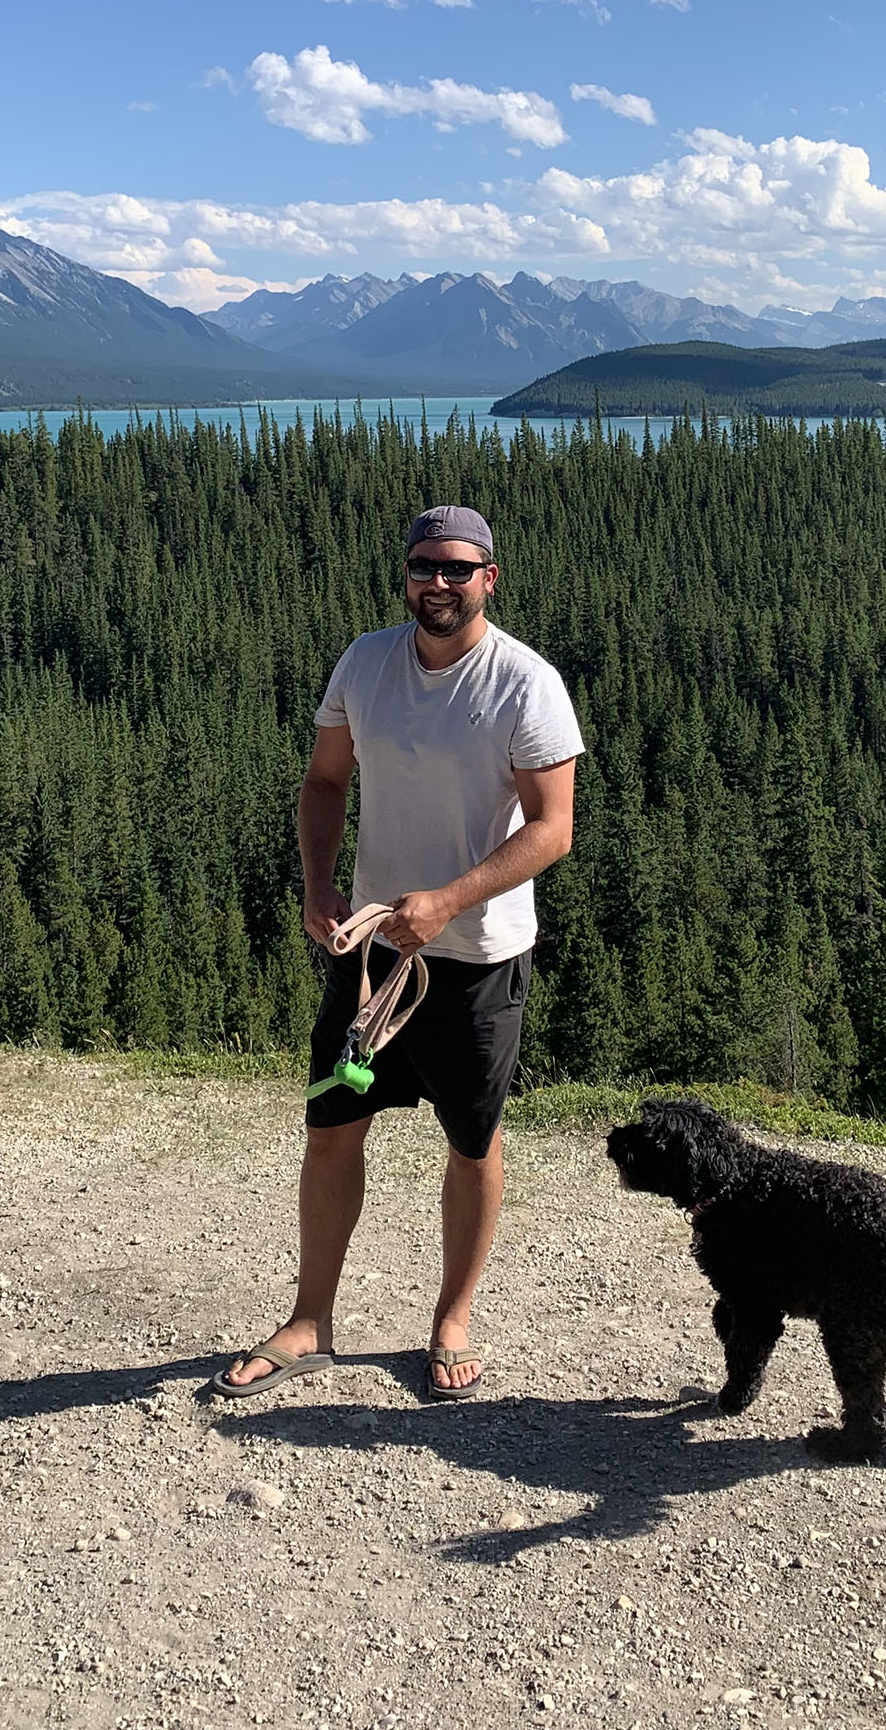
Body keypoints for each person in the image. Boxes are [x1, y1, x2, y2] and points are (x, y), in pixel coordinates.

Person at [214, 505, 583, 1401]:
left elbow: (554, 829)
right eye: (425, 566)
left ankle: (452, 1317)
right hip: (372, 953)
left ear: (489, 577)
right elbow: (324, 780)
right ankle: (310, 1321)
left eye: (459, 569)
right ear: (406, 574)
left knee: (472, 1139)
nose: (440, 584)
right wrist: (317, 886)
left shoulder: (526, 684)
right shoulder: (365, 661)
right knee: (331, 1128)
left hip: (478, 957)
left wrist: (449, 901)